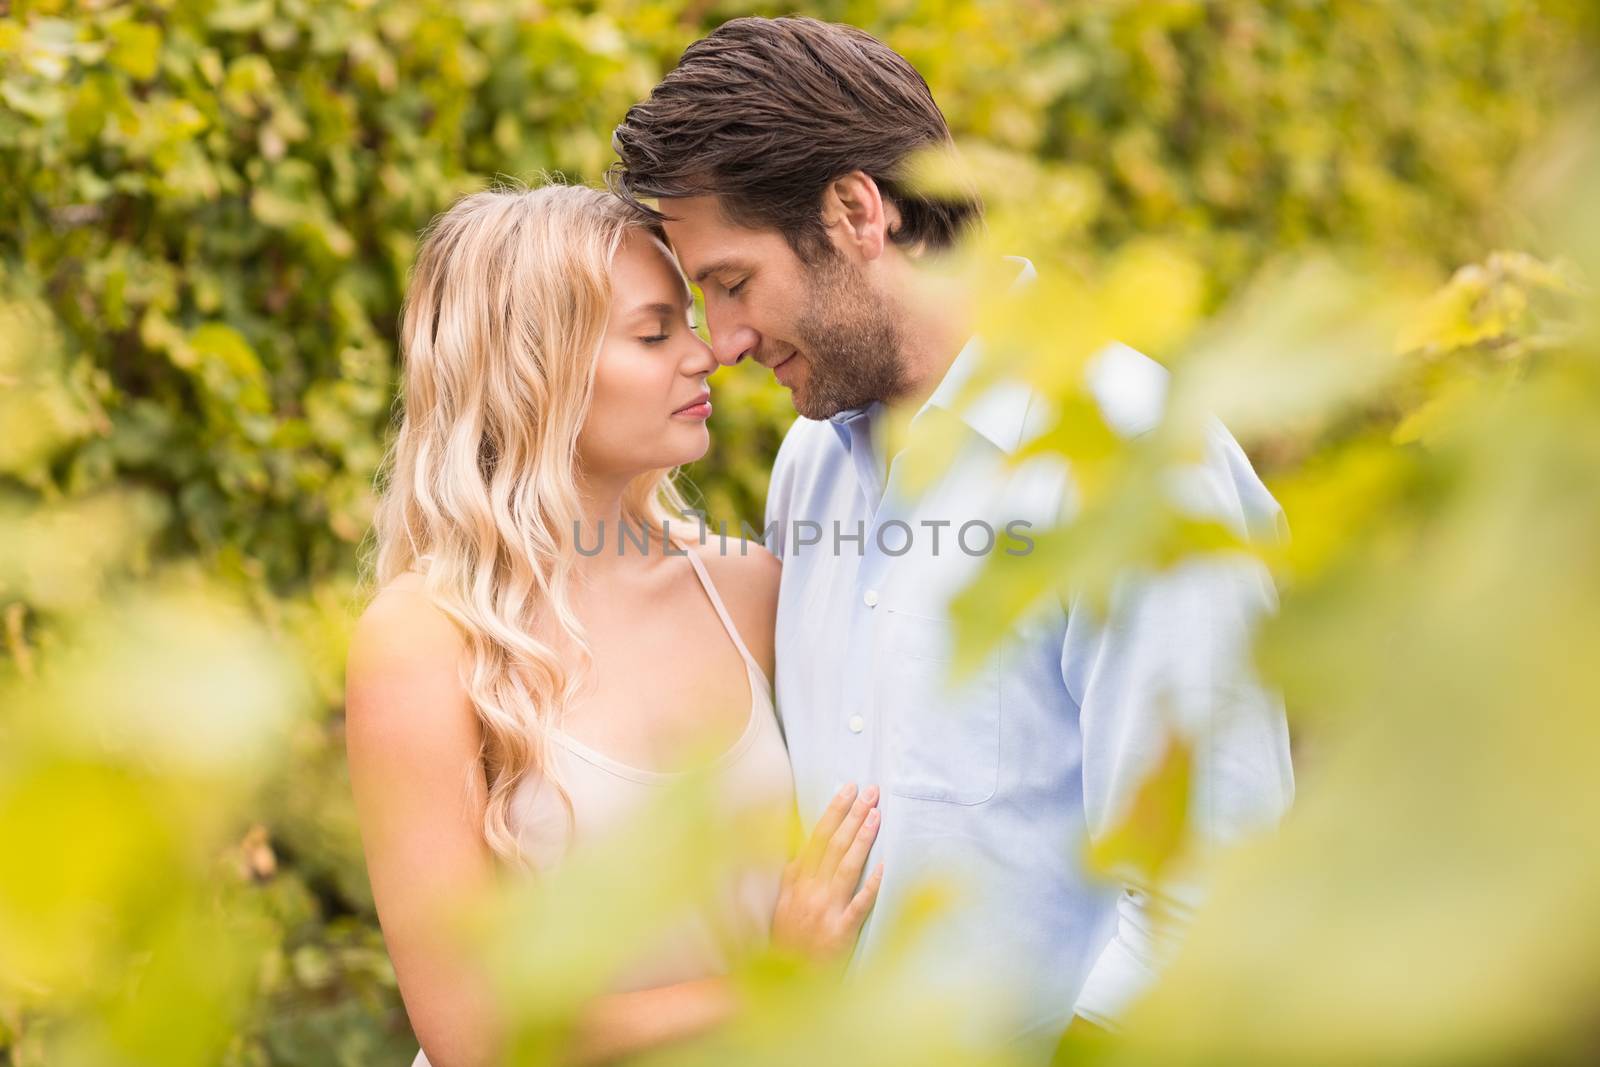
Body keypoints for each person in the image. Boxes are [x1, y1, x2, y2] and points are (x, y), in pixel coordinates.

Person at [610, 15, 1296, 1059]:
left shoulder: (1128, 459)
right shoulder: (811, 469)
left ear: (853, 211)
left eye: (733, 282)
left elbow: (1211, 902)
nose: (728, 341)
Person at [344, 183, 884, 1067]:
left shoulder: (751, 589)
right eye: (654, 332)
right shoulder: (423, 641)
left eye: (690, 320)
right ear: (535, 369)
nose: (707, 353)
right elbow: (471, 1032)